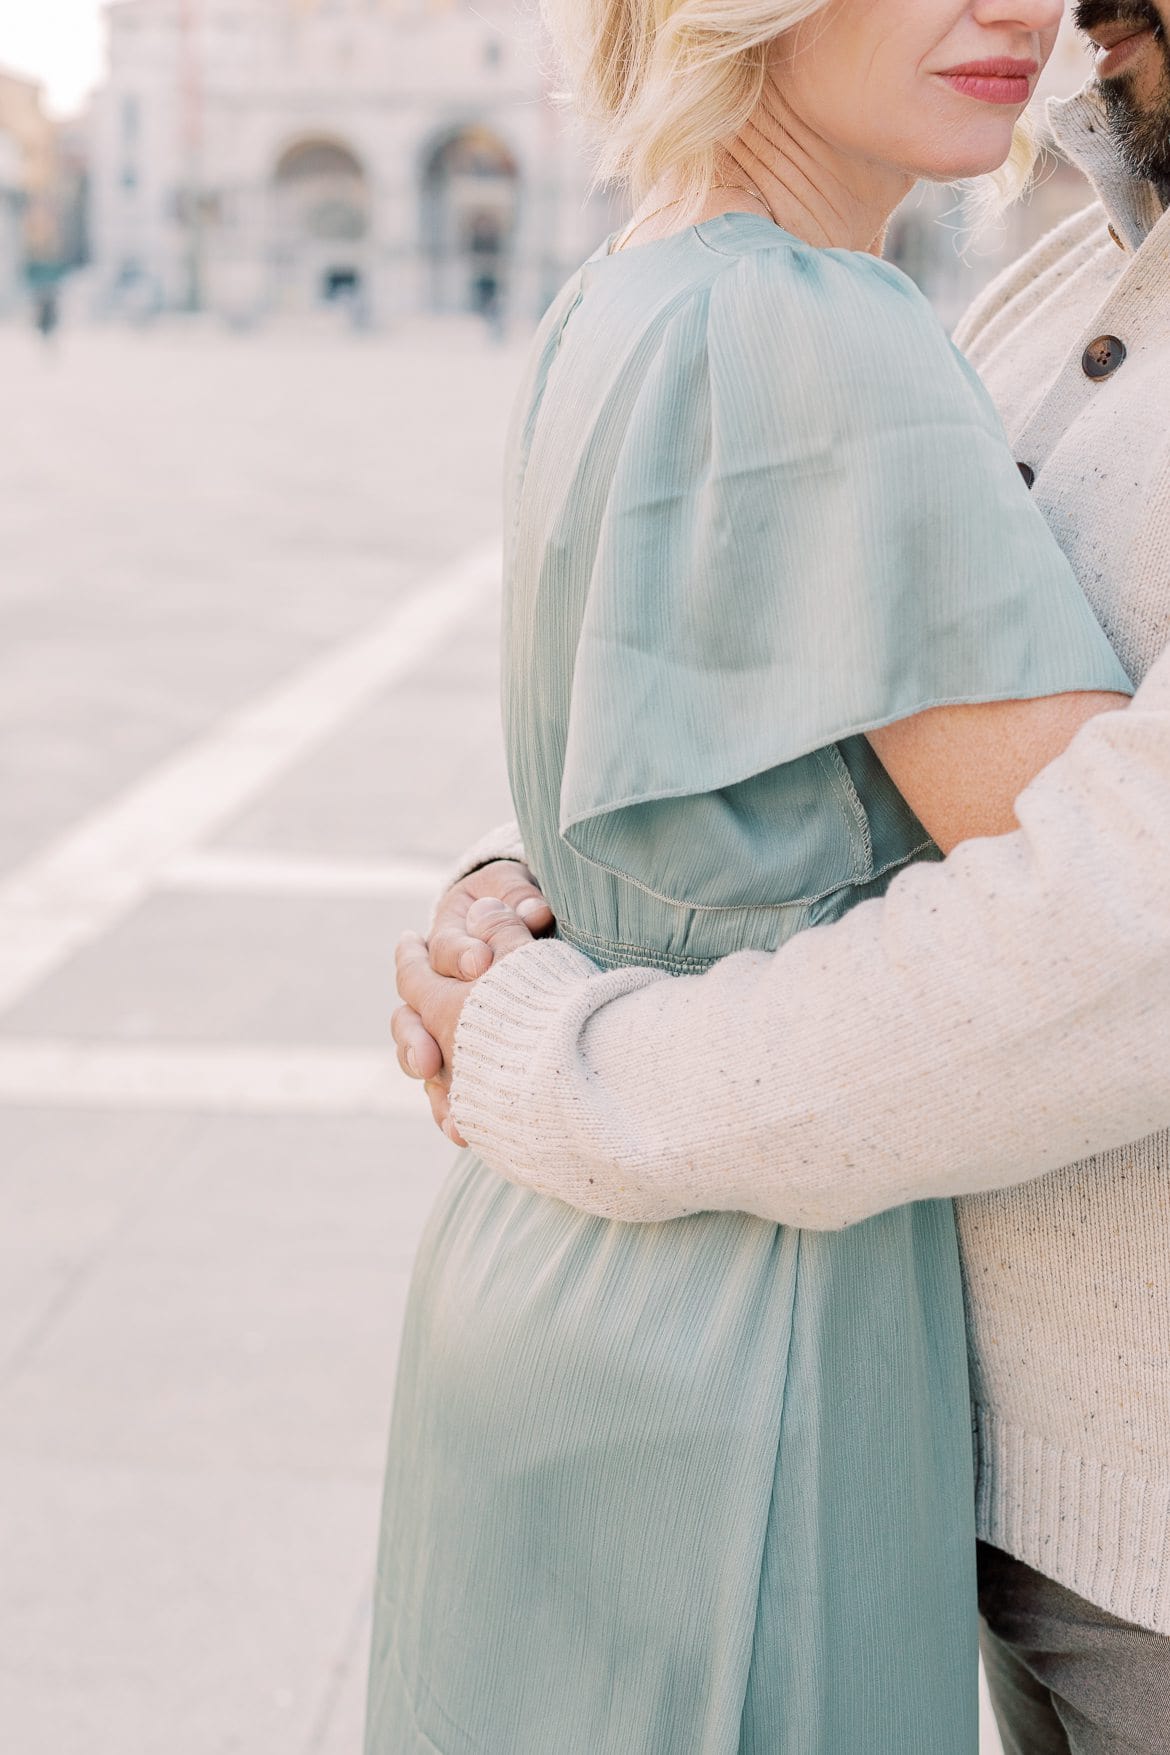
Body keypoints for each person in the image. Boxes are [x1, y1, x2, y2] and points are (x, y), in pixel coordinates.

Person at [394, 3, 1170, 1750]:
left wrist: (543, 933)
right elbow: (1072, 889)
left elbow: (1104, 927)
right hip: (750, 1307)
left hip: (577, 1272)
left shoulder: (633, 286)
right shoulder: (840, 320)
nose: (1027, 6)